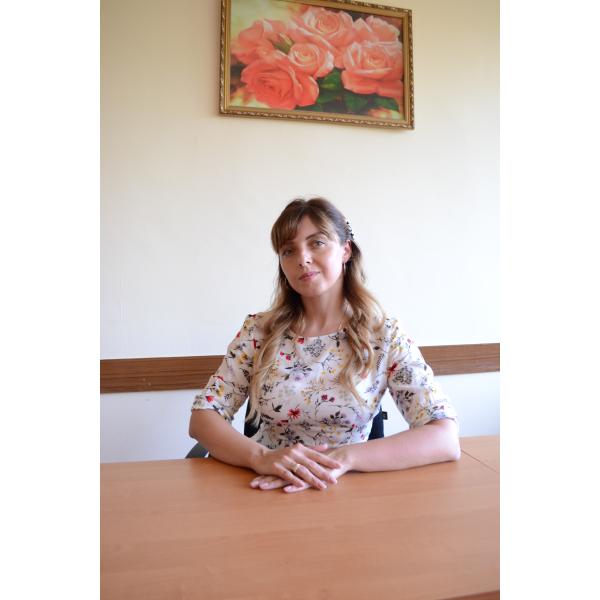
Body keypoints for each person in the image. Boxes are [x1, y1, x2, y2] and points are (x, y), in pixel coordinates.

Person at [189, 197, 459, 493]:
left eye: (316, 243)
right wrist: (261, 457)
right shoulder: (259, 331)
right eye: (288, 250)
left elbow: (444, 437)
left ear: (346, 250)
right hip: (267, 487)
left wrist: (341, 458)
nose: (302, 259)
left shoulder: (384, 335)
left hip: (347, 489)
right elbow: (203, 416)